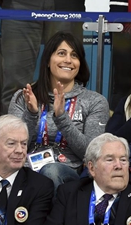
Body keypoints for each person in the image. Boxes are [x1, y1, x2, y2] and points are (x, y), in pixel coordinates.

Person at [8, 31, 110, 191]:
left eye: (74, 55)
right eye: (61, 53)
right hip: (25, 169)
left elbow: (91, 154)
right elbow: (13, 147)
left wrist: (62, 118)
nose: (68, 60)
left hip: (68, 175)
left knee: (51, 171)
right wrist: (32, 114)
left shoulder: (94, 101)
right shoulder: (24, 97)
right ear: (48, 60)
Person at [44, 133, 131, 225]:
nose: (119, 166)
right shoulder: (69, 194)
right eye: (110, 160)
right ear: (92, 168)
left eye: (123, 160)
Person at [0, 0, 55, 114]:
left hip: (66, 5)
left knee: (68, 82)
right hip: (20, 5)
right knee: (16, 91)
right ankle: (13, 131)